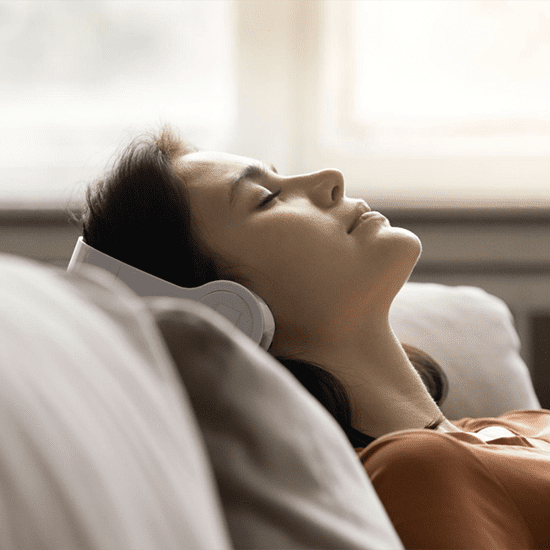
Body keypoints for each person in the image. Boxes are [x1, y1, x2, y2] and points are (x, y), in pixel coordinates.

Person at [70, 125, 550, 549]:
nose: (330, 177)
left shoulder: (515, 426)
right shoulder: (418, 474)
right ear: (227, 314)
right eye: (267, 197)